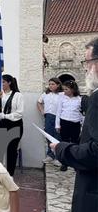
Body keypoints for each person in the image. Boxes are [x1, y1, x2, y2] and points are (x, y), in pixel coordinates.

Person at [51, 38, 98, 212]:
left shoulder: (96, 99)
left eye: (87, 61)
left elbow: (95, 151)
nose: (86, 67)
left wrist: (63, 149)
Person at [0, 74, 24, 176]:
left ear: (9, 82)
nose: (1, 84)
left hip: (14, 125)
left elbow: (19, 113)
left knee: (11, 150)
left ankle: (10, 175)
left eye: (3, 82)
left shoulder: (18, 96)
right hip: (1, 124)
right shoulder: (0, 95)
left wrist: (5, 116)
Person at [55, 80, 83, 171]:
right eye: (64, 89)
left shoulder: (79, 99)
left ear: (72, 90)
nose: (64, 91)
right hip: (64, 122)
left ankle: (75, 162)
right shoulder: (62, 98)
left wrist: (82, 125)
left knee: (75, 143)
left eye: (66, 89)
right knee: (64, 142)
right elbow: (58, 111)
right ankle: (64, 163)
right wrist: (57, 125)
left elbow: (82, 113)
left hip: (75, 123)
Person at [37, 78, 63, 166]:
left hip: (58, 117)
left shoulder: (62, 94)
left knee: (57, 136)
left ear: (58, 85)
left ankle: (58, 157)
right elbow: (39, 102)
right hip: (48, 116)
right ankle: (50, 155)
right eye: (50, 84)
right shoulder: (45, 94)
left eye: (53, 84)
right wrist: (42, 111)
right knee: (48, 135)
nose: (50, 86)